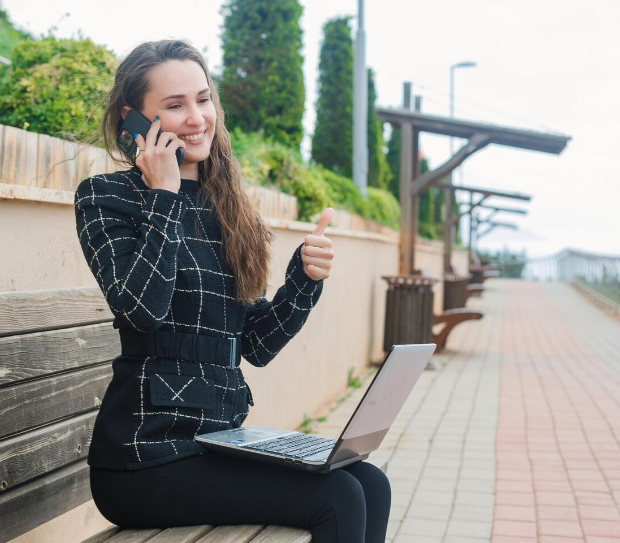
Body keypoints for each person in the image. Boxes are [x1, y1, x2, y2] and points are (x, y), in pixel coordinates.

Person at [74, 39, 390, 542]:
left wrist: (303, 282)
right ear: (136, 120)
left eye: (203, 99)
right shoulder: (106, 198)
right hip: (144, 457)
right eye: (175, 106)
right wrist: (163, 196)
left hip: (217, 442)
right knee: (338, 497)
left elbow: (256, 345)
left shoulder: (229, 208)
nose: (197, 118)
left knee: (368, 481)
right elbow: (141, 309)